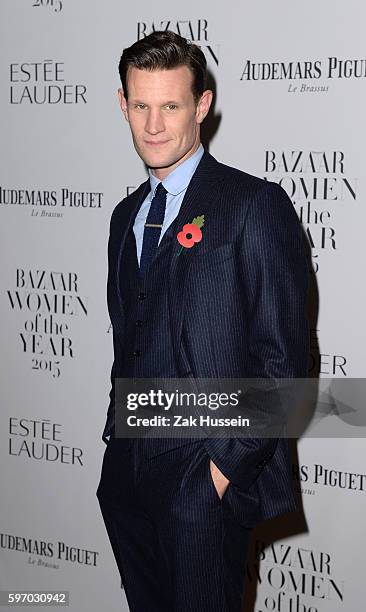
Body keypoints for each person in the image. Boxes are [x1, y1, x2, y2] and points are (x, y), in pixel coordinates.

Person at [96, 30, 309, 612]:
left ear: (202, 106)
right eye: (141, 105)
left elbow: (282, 360)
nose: (154, 125)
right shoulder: (124, 217)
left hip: (203, 478)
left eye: (171, 105)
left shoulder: (254, 205)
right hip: (128, 474)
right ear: (123, 104)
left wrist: (222, 469)